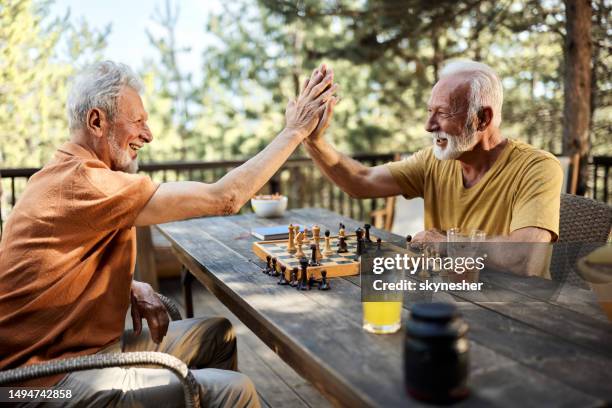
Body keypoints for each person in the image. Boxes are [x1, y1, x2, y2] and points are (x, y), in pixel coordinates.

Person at [0, 60, 337, 407]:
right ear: (97, 122)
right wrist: (295, 131)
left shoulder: (63, 176)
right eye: (138, 122)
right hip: (39, 383)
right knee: (234, 390)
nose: (149, 135)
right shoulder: (84, 181)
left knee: (215, 335)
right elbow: (225, 198)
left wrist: (127, 285)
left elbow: (52, 266)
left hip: (76, 353)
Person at [302, 60, 562, 276]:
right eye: (429, 111)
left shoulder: (537, 167)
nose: (428, 125)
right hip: (447, 301)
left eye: (443, 113)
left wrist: (448, 245)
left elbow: (526, 257)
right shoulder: (433, 161)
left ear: (483, 118)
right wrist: (313, 140)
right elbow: (362, 180)